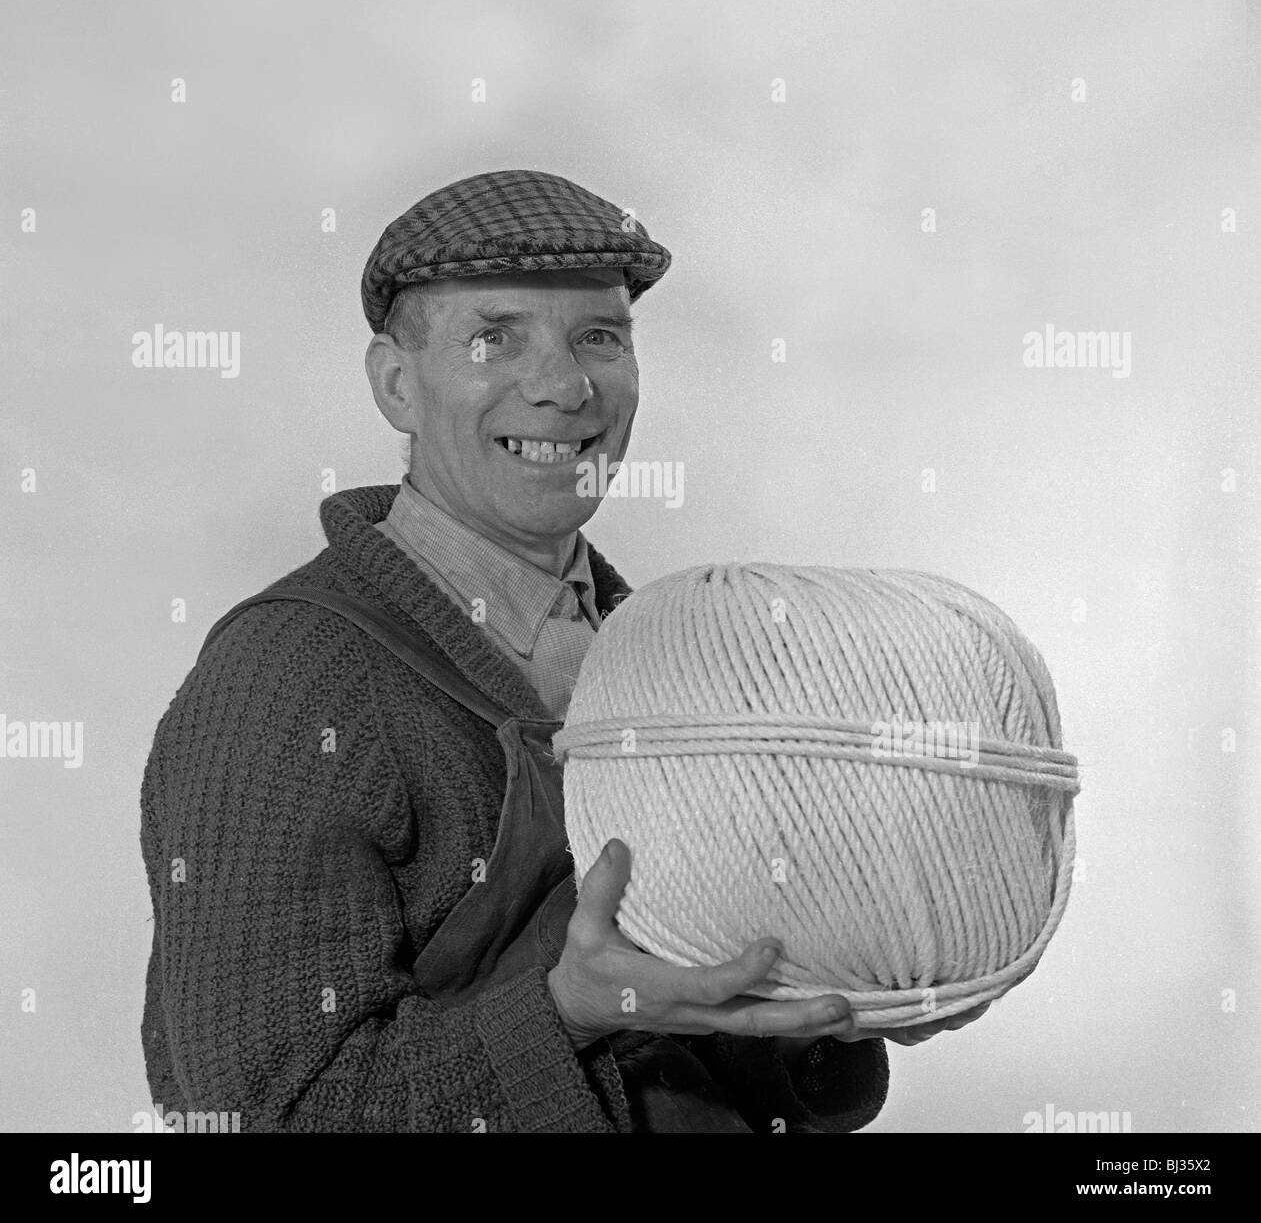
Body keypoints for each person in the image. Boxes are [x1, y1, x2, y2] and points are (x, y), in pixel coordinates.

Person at [139, 168, 971, 1133]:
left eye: (600, 338)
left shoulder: (679, 668)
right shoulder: (282, 680)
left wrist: (838, 1002)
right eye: (496, 338)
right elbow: (262, 1115)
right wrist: (566, 1012)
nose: (566, 388)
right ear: (396, 384)